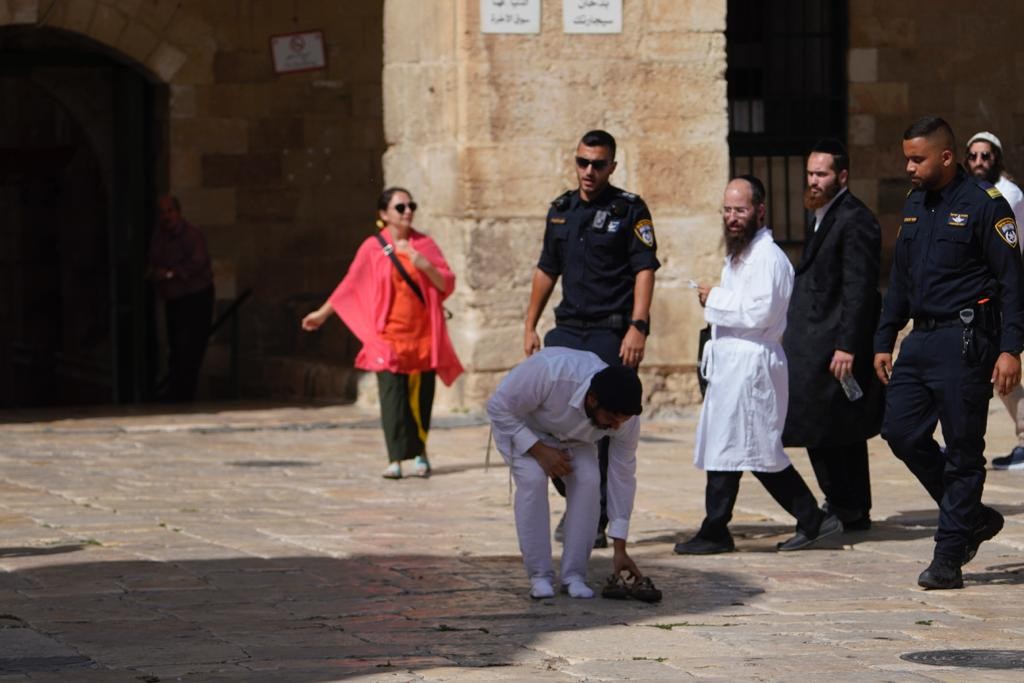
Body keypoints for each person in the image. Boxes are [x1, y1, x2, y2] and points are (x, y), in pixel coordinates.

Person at [873, 117, 1023, 590]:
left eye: (916, 159)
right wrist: (885, 336)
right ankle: (972, 518)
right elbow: (900, 276)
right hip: (920, 339)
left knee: (963, 450)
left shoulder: (985, 206)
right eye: (906, 158)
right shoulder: (916, 202)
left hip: (966, 341)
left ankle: (948, 556)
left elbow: (1013, 282)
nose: (908, 167)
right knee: (899, 430)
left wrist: (1011, 349)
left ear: (944, 156)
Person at [674, 176, 843, 556]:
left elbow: (761, 311)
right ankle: (715, 527)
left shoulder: (769, 258)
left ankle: (812, 517)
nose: (733, 218)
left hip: (752, 367)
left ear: (760, 211)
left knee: (758, 449)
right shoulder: (739, 256)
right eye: (728, 211)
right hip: (731, 366)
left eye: (741, 210)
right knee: (725, 445)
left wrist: (712, 297)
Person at [523, 129, 659, 548]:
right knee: (546, 418)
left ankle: (595, 516)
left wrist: (638, 327)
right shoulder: (561, 210)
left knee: (597, 421)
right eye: (583, 162)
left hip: (608, 331)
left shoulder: (629, 209)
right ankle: (581, 502)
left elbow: (644, 269)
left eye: (598, 164)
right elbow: (547, 269)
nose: (589, 171)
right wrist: (529, 324)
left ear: (611, 167)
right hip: (567, 330)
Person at [302, 187, 463, 479]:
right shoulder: (372, 248)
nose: (408, 212)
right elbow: (350, 284)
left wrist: (423, 264)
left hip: (423, 335)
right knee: (392, 396)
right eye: (400, 207)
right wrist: (322, 314)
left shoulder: (424, 244)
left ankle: (419, 452)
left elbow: (445, 284)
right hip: (387, 335)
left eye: (411, 206)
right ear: (383, 214)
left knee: (420, 397)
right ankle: (395, 457)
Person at [487, 347, 644, 599]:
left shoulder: (624, 420)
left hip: (574, 439)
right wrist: (539, 450)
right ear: (592, 399)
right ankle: (539, 575)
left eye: (621, 422)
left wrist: (620, 547)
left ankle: (574, 576)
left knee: (589, 479)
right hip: (521, 425)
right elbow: (498, 407)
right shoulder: (551, 371)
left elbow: (622, 475)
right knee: (533, 480)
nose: (615, 427)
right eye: (611, 419)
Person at [782, 139, 883, 531]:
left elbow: (858, 288)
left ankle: (849, 504)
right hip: (815, 339)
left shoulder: (854, 218)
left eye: (821, 173)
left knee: (828, 425)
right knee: (829, 426)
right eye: (809, 173)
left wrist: (846, 345)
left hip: (834, 343)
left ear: (841, 176)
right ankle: (847, 504)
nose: (813, 180)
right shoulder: (821, 214)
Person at [964, 131, 1024, 471]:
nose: (978, 163)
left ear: (996, 159)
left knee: (999, 367)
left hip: (1000, 290)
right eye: (973, 156)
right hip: (981, 289)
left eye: (985, 156)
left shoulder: (1008, 195)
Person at [147, 195, 214, 402]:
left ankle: (186, 392)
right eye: (162, 212)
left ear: (178, 212)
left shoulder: (191, 235)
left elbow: (198, 263)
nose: (166, 216)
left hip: (195, 296)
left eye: (170, 211)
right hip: (174, 297)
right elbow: (153, 258)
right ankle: (176, 391)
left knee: (191, 346)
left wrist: (170, 273)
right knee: (175, 346)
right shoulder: (160, 237)